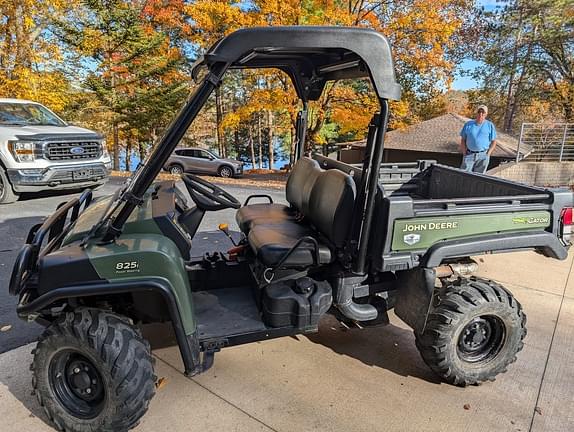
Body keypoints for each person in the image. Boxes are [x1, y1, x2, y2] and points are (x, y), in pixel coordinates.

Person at [459, 105, 497, 173]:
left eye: (483, 112)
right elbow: (463, 140)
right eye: (479, 112)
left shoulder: (490, 125)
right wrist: (464, 154)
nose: (481, 114)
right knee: (464, 176)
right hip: (469, 154)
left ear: (486, 114)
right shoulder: (468, 124)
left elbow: (494, 142)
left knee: (479, 178)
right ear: (476, 113)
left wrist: (488, 154)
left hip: (483, 156)